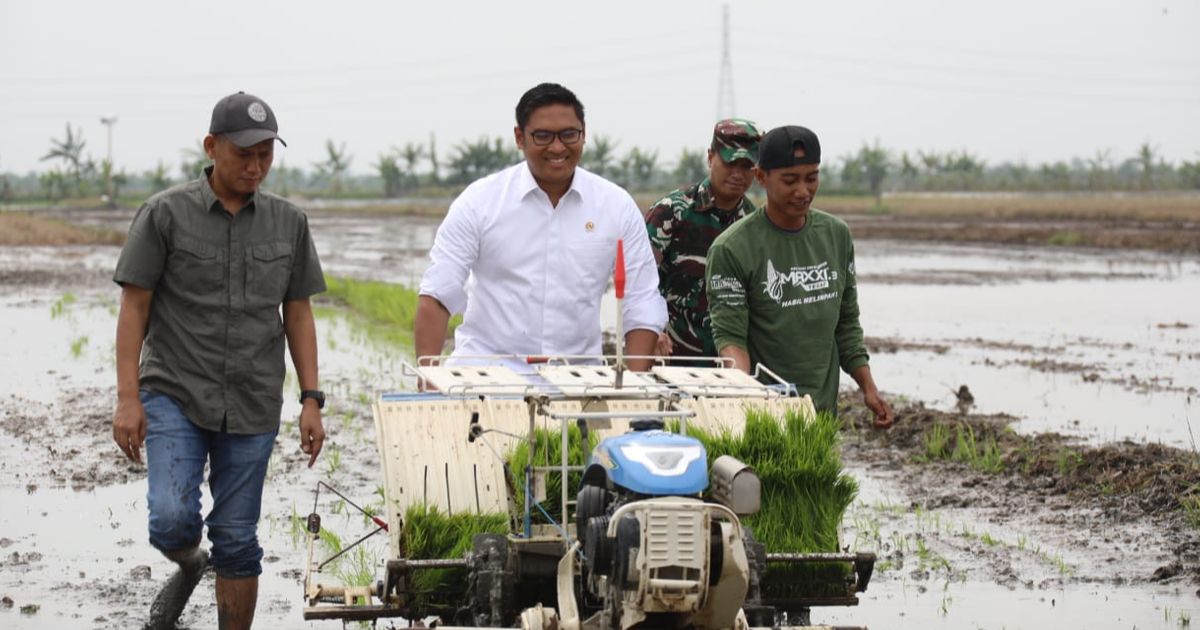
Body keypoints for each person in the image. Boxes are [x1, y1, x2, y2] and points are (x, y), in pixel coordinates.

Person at [111, 91, 327, 629]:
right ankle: (189, 564)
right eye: (243, 154)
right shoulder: (164, 214)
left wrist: (310, 400)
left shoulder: (288, 223)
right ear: (212, 147)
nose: (256, 167)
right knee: (170, 519)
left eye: (266, 156)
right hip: (175, 393)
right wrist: (127, 398)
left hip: (253, 400)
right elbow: (134, 307)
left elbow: (297, 315)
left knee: (237, 537)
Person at [414, 82, 666, 369]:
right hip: (487, 376)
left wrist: (630, 390)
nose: (557, 147)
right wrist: (428, 381)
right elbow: (438, 293)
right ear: (520, 137)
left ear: (583, 135)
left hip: (578, 383)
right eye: (543, 136)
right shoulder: (479, 202)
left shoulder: (616, 206)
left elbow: (642, 301)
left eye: (569, 135)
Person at [706, 125, 894, 428]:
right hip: (764, 414)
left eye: (812, 178)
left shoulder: (836, 236)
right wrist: (741, 393)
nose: (803, 191)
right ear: (761, 177)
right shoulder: (732, 249)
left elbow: (846, 324)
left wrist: (869, 389)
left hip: (822, 414)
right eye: (790, 180)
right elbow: (731, 338)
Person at [645, 118, 763, 360]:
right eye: (730, 163)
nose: (738, 174)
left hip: (730, 360)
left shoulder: (754, 224)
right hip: (671, 356)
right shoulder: (671, 213)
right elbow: (641, 281)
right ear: (711, 158)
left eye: (746, 166)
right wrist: (651, 328)